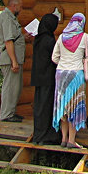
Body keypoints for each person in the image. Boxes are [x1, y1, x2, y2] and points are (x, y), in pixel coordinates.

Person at [52, 12, 88, 148]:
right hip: (76, 75)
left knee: (63, 107)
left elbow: (54, 58)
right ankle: (72, 140)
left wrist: (64, 65)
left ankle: (63, 138)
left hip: (61, 74)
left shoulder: (62, 37)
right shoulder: (86, 38)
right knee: (74, 107)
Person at [30, 12, 62, 144]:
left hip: (38, 77)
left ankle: (39, 133)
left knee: (39, 106)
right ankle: (46, 135)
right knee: (46, 106)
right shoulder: (49, 40)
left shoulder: (39, 38)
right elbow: (54, 58)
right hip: (47, 77)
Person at [0, 0, 26, 122]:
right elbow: (8, 41)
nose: (21, 9)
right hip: (9, 59)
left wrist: (24, 37)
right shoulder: (7, 18)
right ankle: (6, 114)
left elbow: (14, 37)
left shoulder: (11, 18)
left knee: (15, 87)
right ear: (14, 6)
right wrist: (14, 61)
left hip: (13, 59)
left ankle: (11, 112)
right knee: (10, 87)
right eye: (20, 7)